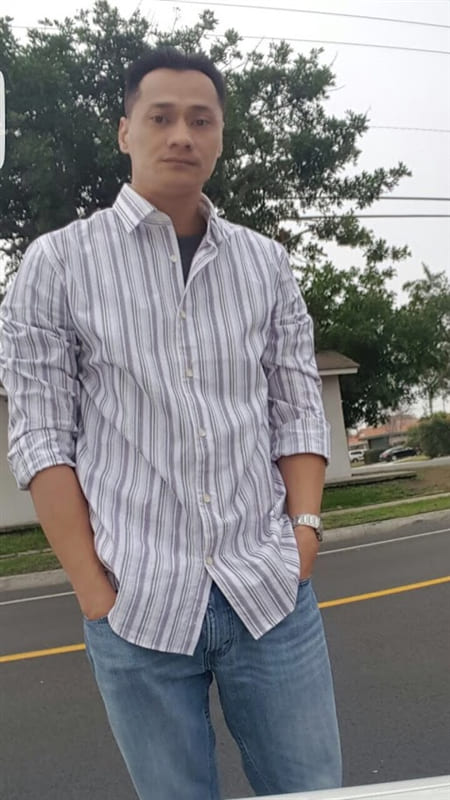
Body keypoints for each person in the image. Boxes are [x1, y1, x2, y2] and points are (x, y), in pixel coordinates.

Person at [0, 47, 342, 799]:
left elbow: (295, 406)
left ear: (219, 137)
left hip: (269, 591)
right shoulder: (56, 264)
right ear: (125, 131)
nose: (181, 134)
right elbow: (42, 435)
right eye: (160, 117)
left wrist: (305, 536)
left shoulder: (265, 263)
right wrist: (92, 588)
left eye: (201, 120)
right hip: (136, 601)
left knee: (315, 790)